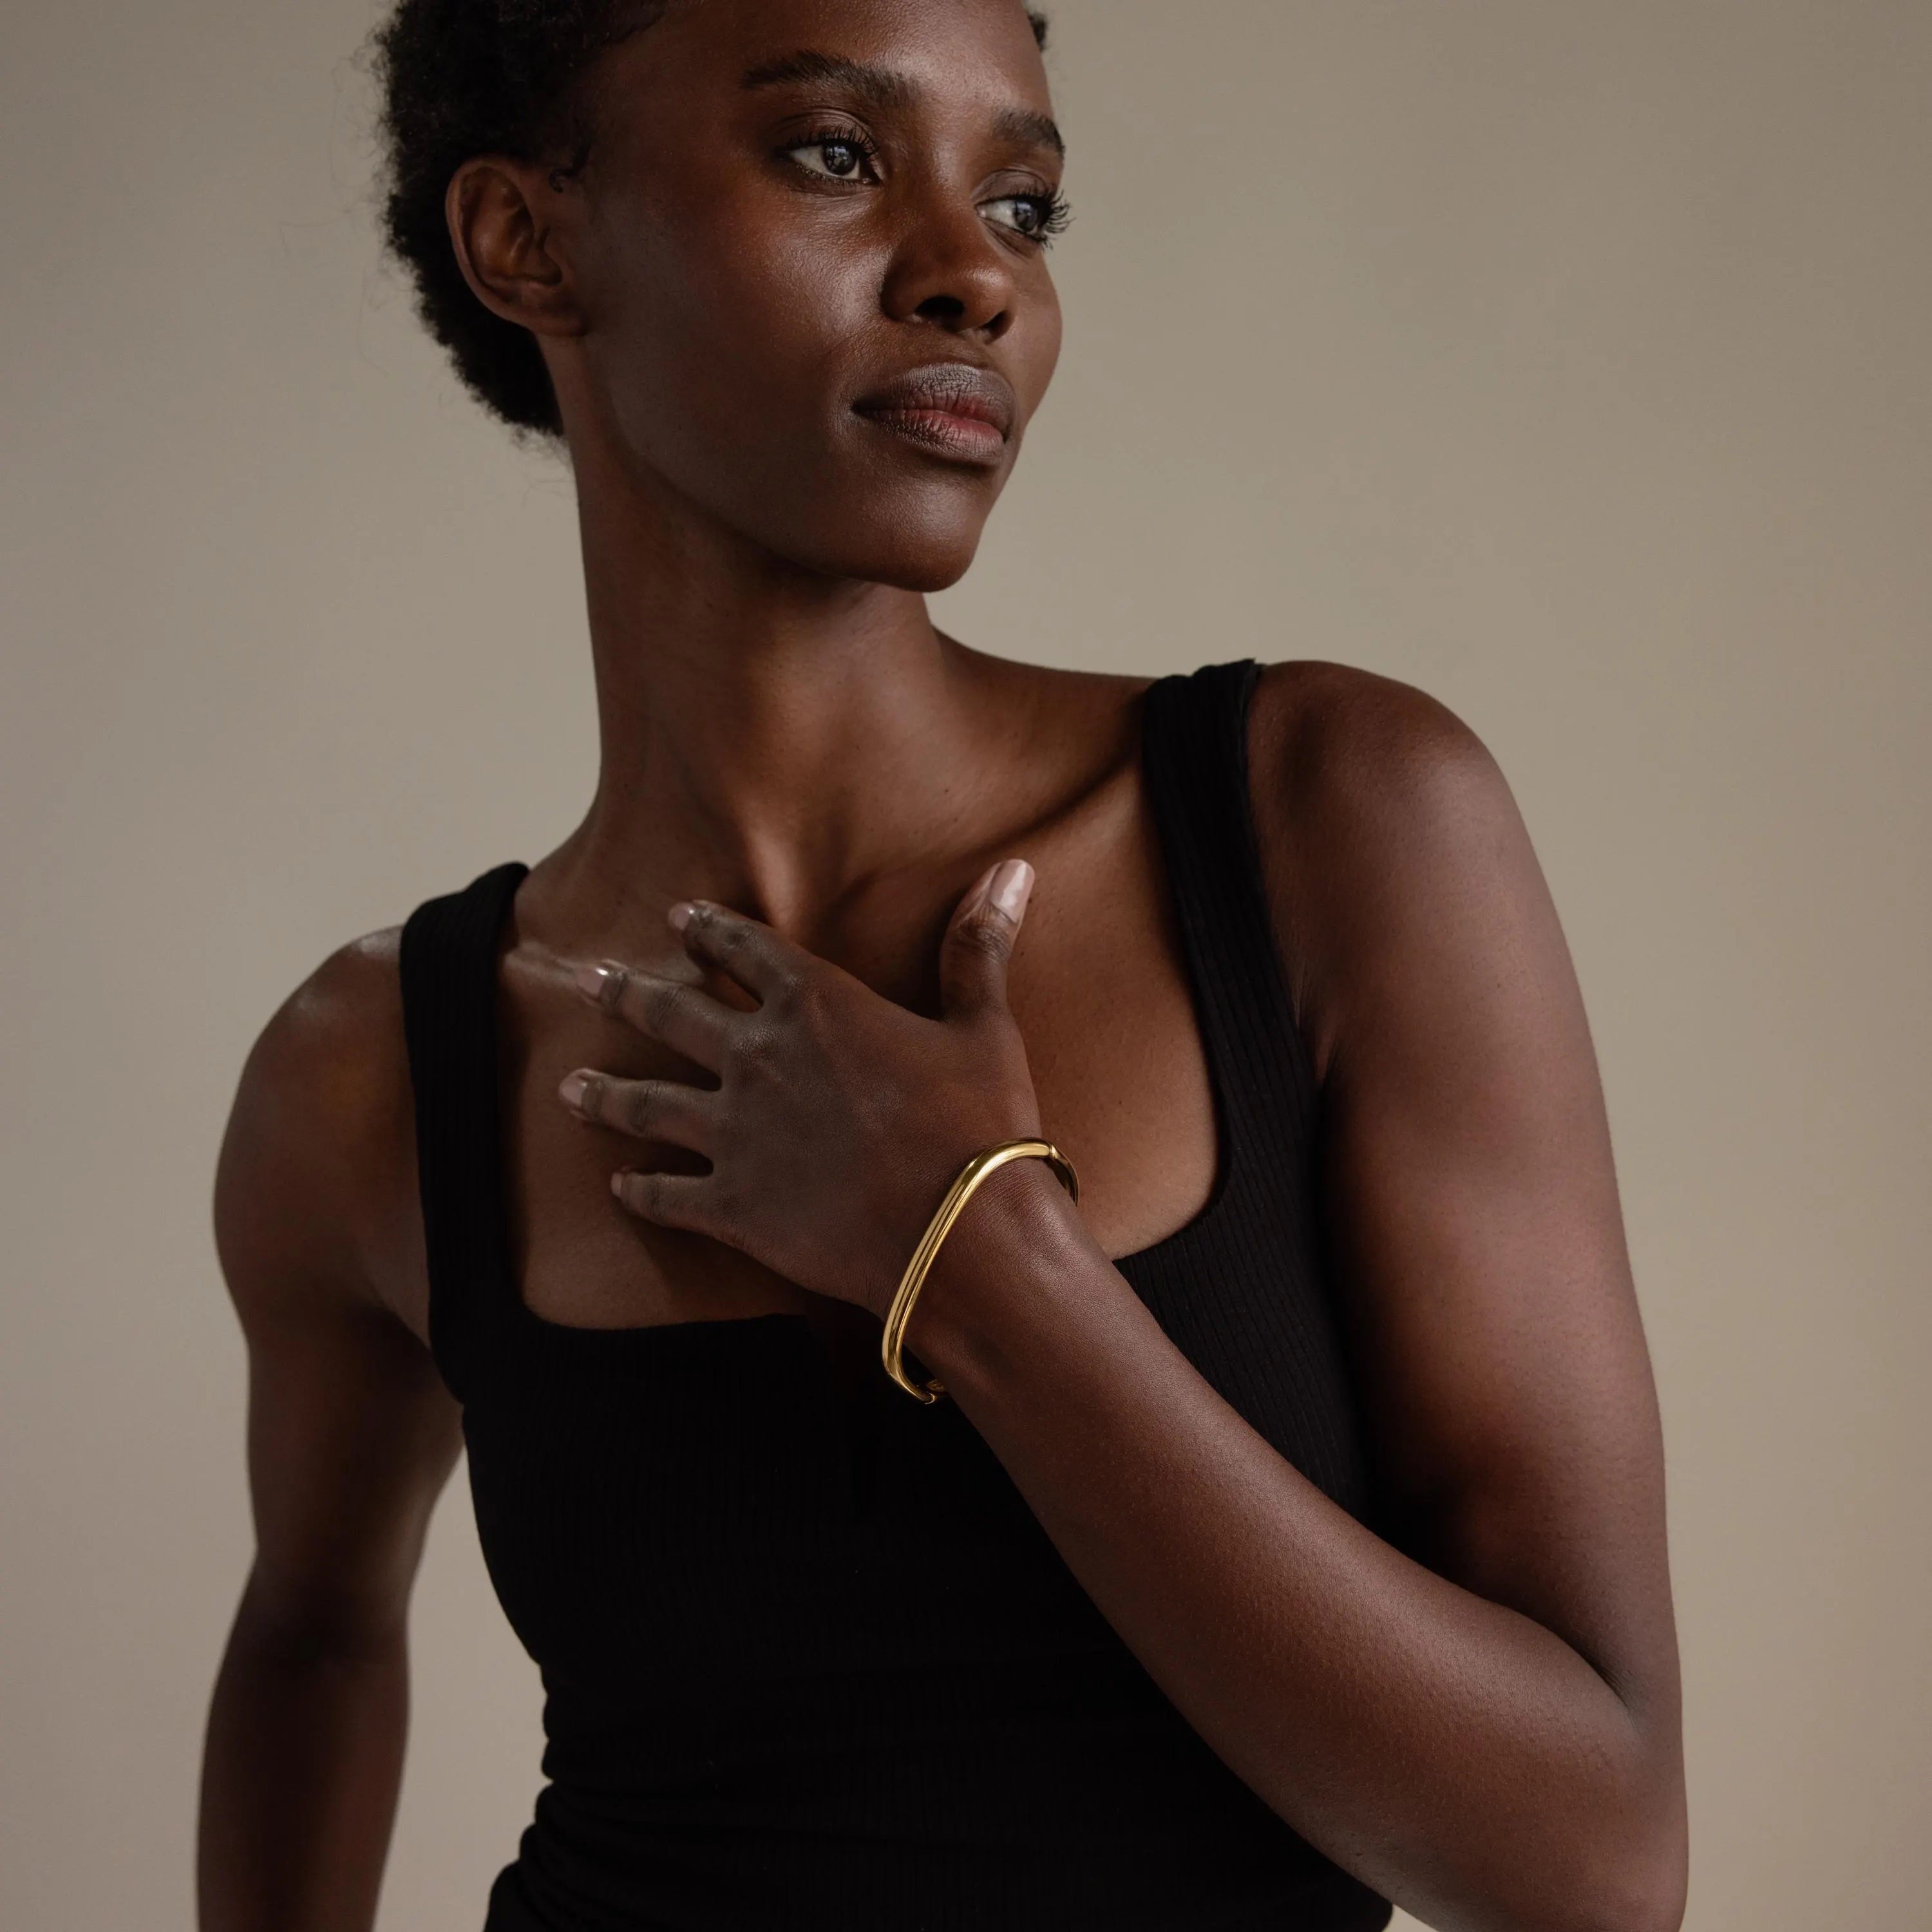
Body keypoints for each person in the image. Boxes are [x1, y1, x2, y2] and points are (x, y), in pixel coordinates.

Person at [195, 3, 1688, 1928]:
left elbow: (1592, 1860)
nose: (973, 271)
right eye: (834, 155)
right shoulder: (376, 1072)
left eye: (1028, 204)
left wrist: (986, 1260)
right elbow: (313, 1639)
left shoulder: (1328, 828)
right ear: (528, 244)